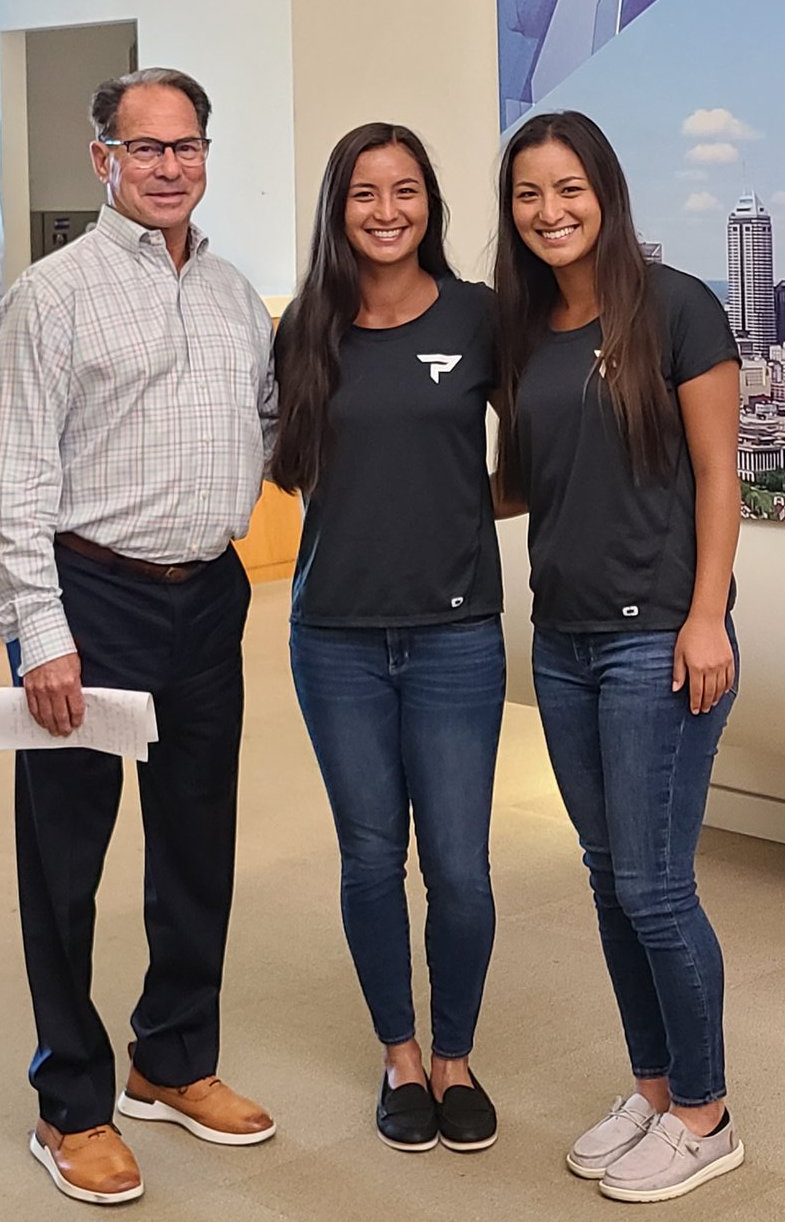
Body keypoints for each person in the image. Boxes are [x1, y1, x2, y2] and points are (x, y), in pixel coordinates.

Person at [0, 66, 278, 1208]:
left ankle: (174, 1059)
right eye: (145, 147)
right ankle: (71, 1101)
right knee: (67, 863)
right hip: (89, 599)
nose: (168, 166)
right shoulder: (51, 295)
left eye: (186, 145)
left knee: (198, 844)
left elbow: (268, 430)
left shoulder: (235, 294)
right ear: (102, 157)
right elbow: (14, 477)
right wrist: (40, 634)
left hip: (207, 597)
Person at [492, 110, 745, 1205]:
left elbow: (720, 473)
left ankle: (706, 1112)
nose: (549, 211)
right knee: (608, 879)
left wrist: (707, 615)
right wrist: (390, 475)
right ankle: (653, 1087)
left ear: (606, 192)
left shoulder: (677, 307)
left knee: (654, 883)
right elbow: (521, 483)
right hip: (563, 638)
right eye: (528, 193)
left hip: (661, 638)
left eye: (569, 188)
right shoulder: (524, 329)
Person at [272, 124, 505, 1156]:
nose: (386, 210)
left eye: (405, 190)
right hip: (336, 635)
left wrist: (452, 508)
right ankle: (400, 1056)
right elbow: (286, 463)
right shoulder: (306, 327)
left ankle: (455, 1056)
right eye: (365, 192)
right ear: (339, 208)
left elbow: (539, 444)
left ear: (430, 205)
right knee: (371, 856)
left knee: (459, 866)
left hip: (456, 635)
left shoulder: (478, 315)